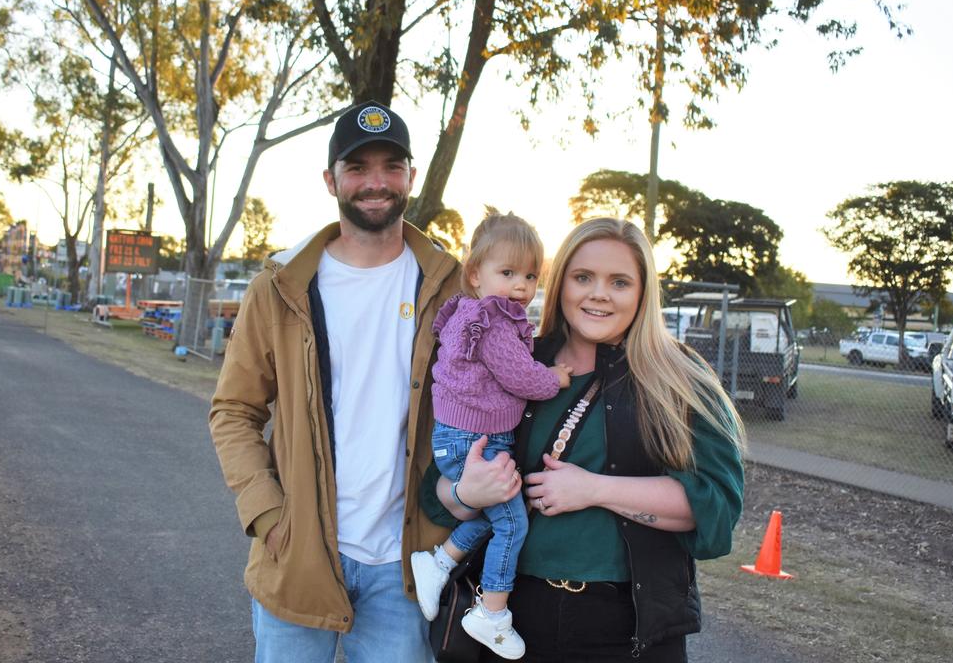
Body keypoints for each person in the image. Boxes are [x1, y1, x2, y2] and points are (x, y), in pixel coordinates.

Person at [425, 217, 746, 662]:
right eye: (582, 278)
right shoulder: (514, 363)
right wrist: (466, 491)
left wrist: (594, 489)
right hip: (511, 622)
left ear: (642, 292)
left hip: (628, 629)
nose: (598, 293)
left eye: (619, 281)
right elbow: (437, 491)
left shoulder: (681, 379)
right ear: (560, 285)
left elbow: (717, 507)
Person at [208, 100, 462, 663]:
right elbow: (234, 410)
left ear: (411, 177)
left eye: (391, 166)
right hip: (299, 555)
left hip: (405, 568)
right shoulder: (278, 288)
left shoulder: (452, 288)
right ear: (331, 180)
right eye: (358, 167)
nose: (376, 182)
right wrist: (269, 513)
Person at [410, 212, 571, 660]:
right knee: (514, 523)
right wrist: (554, 378)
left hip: (464, 435)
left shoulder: (476, 313)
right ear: (475, 274)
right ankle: (492, 612)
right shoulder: (494, 322)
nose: (521, 285)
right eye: (508, 273)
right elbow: (521, 376)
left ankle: (438, 562)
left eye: (530, 275)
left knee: (496, 516)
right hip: (472, 439)